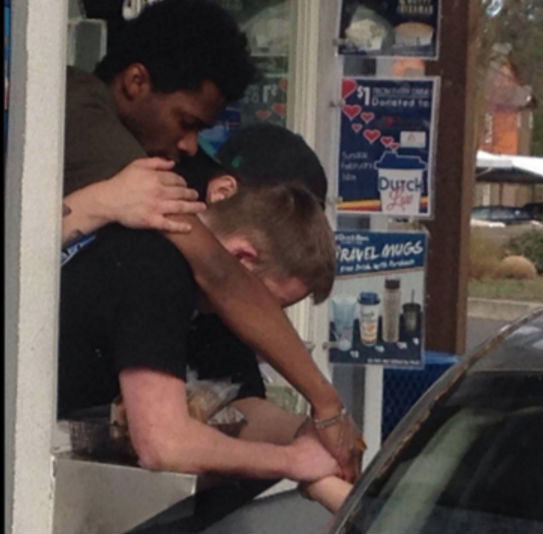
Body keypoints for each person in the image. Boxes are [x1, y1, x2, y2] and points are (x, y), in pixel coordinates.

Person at [61, 0, 361, 480]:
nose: (188, 147)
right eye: (188, 123)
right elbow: (217, 269)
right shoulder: (82, 115)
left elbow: (241, 396)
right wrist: (326, 404)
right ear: (136, 83)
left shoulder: (165, 155)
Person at [59, 179, 338, 484]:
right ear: (241, 259)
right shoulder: (156, 263)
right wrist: (291, 461)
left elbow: (239, 405)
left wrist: (305, 434)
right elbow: (163, 444)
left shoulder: (208, 298)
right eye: (267, 306)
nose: (265, 323)